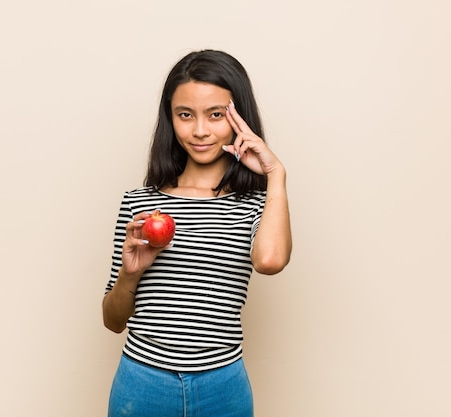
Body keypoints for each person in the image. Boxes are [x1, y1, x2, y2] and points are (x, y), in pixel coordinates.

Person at [102, 49, 292, 417]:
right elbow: (113, 320)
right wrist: (130, 273)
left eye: (216, 115)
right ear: (170, 119)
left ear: (240, 120)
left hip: (223, 384)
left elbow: (270, 261)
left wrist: (276, 175)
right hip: (142, 382)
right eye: (185, 115)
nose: (201, 130)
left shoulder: (255, 204)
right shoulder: (139, 203)